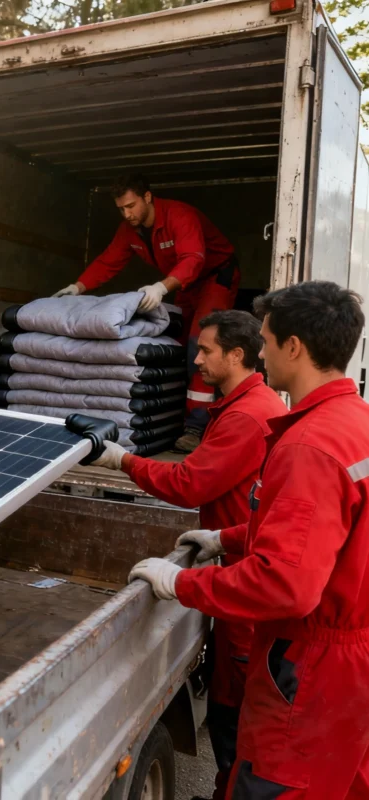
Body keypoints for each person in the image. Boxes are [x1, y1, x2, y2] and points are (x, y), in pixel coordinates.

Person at [128, 281, 369, 798]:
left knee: (279, 783)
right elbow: (329, 533)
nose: (260, 353)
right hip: (349, 658)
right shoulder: (356, 421)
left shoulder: (309, 446)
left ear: (294, 347)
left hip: (309, 666)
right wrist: (229, 538)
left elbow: (286, 584)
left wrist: (182, 583)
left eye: (267, 340)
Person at [90, 309, 286, 800]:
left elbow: (189, 482)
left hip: (246, 581)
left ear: (236, 355)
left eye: (206, 351)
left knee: (233, 707)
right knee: (231, 700)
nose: (196, 360)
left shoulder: (246, 415)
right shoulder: (247, 404)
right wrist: (221, 538)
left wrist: (122, 460)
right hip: (236, 551)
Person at [53, 175, 239, 452]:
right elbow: (109, 261)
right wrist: (77, 287)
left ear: (148, 197)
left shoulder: (179, 216)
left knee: (201, 343)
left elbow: (193, 258)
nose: (127, 214)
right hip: (185, 282)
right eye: (121, 209)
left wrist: (161, 288)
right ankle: (176, 418)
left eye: (131, 206)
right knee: (175, 346)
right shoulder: (130, 230)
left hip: (216, 275)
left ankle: (197, 427)